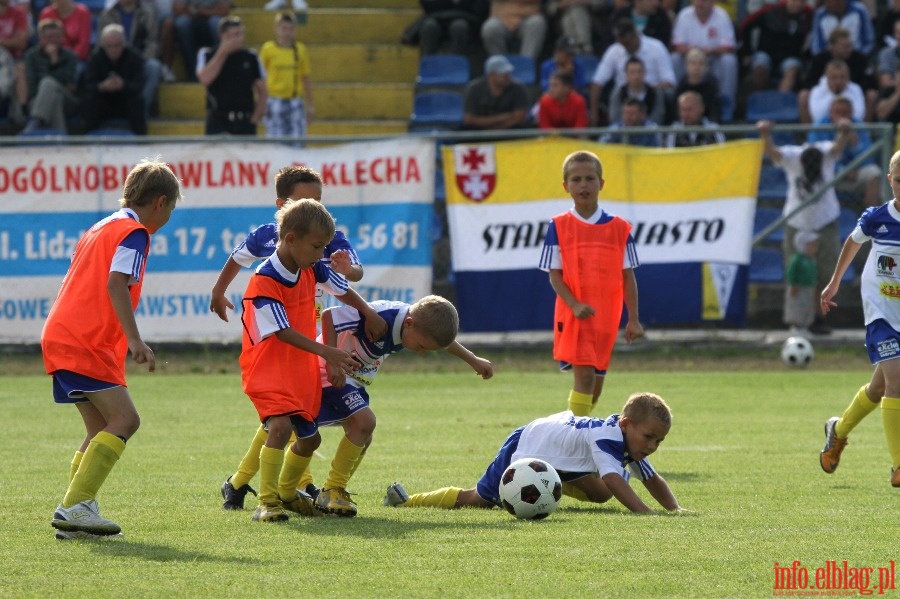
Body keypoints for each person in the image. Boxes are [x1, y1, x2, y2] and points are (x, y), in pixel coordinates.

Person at [215, 165, 389, 511]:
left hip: (312, 346)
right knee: (280, 426)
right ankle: (278, 496)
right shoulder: (267, 262)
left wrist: (367, 311)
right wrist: (218, 291)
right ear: (284, 209)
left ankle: (262, 487)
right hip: (286, 351)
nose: (315, 207)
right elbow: (239, 265)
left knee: (303, 432)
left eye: (318, 200)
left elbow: (349, 279)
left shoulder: (322, 248)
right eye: (305, 201)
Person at [42, 158, 182, 539]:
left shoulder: (102, 226)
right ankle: (75, 506)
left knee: (101, 426)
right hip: (85, 339)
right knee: (127, 420)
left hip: (65, 333)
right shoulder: (134, 232)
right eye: (171, 208)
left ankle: (76, 512)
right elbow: (116, 282)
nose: (168, 216)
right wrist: (135, 340)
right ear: (160, 202)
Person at [302, 296, 494, 517]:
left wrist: (473, 359)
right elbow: (329, 316)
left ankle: (331, 489)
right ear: (409, 324)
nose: (420, 352)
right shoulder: (382, 318)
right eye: (421, 346)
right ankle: (328, 489)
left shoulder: (413, 323)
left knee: (360, 433)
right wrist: (331, 360)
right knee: (362, 422)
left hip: (352, 378)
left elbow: (442, 341)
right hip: (328, 372)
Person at [238, 198, 363, 523]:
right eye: (316, 246)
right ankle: (267, 502)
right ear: (290, 238)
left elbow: (342, 289)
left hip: (300, 369)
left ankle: (288, 493)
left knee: (310, 439)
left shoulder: (312, 265)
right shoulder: (265, 279)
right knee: (279, 428)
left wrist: (370, 313)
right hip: (267, 368)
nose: (320, 253)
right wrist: (329, 353)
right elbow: (281, 332)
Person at [384, 392, 686, 514]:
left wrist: (674, 510)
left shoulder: (628, 440)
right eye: (648, 437)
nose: (651, 446)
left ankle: (551, 483)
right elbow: (616, 479)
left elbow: (652, 478)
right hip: (528, 442)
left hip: (556, 448)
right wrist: (645, 514)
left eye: (659, 441)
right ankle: (407, 500)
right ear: (626, 424)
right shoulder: (608, 438)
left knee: (602, 494)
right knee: (478, 501)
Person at [538, 151, 644, 416]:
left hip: (605, 317)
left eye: (589, 178)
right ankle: (572, 437)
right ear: (566, 186)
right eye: (576, 179)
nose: (583, 185)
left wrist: (634, 318)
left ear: (601, 183)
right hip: (574, 314)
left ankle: (572, 427)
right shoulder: (559, 226)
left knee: (595, 388)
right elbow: (554, 274)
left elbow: (627, 276)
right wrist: (574, 304)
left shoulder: (620, 228)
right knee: (583, 380)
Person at [819, 148, 900, 489]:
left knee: (880, 387)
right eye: (899, 181)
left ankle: (837, 431)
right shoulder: (877, 218)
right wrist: (835, 282)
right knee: (897, 382)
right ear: (889, 180)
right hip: (881, 312)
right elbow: (852, 243)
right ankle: (898, 466)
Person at [757, 118, 852, 336]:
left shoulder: (825, 153)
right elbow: (774, 154)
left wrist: (844, 132)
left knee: (826, 272)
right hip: (796, 222)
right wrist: (765, 135)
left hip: (825, 220)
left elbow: (838, 146)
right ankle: (797, 320)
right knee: (797, 273)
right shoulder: (793, 155)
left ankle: (818, 318)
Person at [589, 18, 675, 127]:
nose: (625, 46)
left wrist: (644, 88)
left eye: (627, 43)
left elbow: (669, 82)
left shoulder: (656, 47)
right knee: (614, 94)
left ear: (635, 35)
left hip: (651, 98)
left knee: (664, 95)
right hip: (623, 99)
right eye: (622, 43)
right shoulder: (614, 51)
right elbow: (597, 82)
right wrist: (594, 112)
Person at [807, 96, 882, 210]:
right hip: (829, 176)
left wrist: (855, 144)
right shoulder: (820, 126)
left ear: (851, 113)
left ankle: (871, 220)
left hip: (855, 174)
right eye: (838, 112)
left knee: (874, 173)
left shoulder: (858, 125)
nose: (842, 116)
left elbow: (868, 158)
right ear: (830, 113)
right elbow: (815, 158)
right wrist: (842, 171)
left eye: (846, 112)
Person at [197, 16, 267, 135]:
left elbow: (263, 90)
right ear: (223, 36)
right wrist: (223, 52)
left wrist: (255, 119)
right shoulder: (207, 54)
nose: (239, 38)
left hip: (245, 120)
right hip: (218, 120)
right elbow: (205, 79)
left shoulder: (251, 57)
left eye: (241, 34)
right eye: (235, 34)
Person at [99, 0, 164, 117]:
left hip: (140, 59)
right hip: (114, 59)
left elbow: (152, 42)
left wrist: (137, 60)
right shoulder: (108, 14)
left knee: (154, 67)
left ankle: (141, 109)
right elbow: (102, 43)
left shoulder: (148, 13)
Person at [81, 24, 147, 135]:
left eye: (117, 46)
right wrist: (102, 86)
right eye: (109, 46)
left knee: (137, 102)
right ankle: (90, 137)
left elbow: (139, 84)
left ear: (123, 44)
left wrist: (123, 85)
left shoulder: (133, 57)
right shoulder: (95, 58)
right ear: (103, 45)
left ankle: (141, 140)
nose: (113, 50)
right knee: (90, 101)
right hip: (103, 102)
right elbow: (87, 85)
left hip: (125, 102)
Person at [670, 0, 738, 106]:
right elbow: (676, 45)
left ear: (713, 3)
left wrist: (711, 50)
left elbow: (729, 47)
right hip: (690, 60)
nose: (700, 4)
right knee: (675, 58)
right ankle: (674, 101)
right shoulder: (684, 15)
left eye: (704, 1)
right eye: (697, 1)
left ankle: (726, 103)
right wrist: (691, 50)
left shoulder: (722, 15)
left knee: (729, 61)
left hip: (713, 59)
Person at [799, 29, 875, 123]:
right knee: (803, 95)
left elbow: (869, 82)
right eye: (845, 47)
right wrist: (831, 86)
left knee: (872, 94)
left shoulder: (859, 58)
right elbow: (809, 82)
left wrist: (846, 86)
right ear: (832, 46)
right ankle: (809, 134)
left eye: (850, 46)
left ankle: (864, 131)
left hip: (852, 91)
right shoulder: (820, 59)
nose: (849, 49)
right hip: (824, 91)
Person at [259, 11, 312, 142]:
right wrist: (261, 103)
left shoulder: (300, 49)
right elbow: (261, 78)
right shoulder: (268, 49)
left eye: (291, 29)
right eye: (284, 28)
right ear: (276, 29)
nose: (287, 33)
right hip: (274, 100)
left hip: (295, 101)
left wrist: (310, 104)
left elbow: (305, 77)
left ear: (295, 30)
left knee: (297, 142)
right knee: (275, 143)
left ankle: (296, 164)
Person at [738, 0, 812, 93]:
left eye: (801, 2)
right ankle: (760, 100)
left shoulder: (808, 15)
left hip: (790, 56)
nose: (797, 4)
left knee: (792, 71)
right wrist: (748, 51)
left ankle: (780, 102)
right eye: (794, 1)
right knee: (759, 68)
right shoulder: (770, 11)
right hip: (766, 52)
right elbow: (746, 25)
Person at [20, 18, 79, 133]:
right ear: (40, 39)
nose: (53, 41)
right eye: (49, 38)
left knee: (48, 83)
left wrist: (55, 62)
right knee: (55, 98)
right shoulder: (31, 56)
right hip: (38, 100)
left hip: (68, 101)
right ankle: (60, 139)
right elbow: (32, 87)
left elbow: (69, 81)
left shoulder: (70, 56)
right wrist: (53, 79)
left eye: (56, 37)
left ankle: (35, 122)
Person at [462, 53, 528, 130]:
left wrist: (491, 126)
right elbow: (469, 120)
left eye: (508, 73)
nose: (508, 77)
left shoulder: (518, 88)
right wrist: (504, 117)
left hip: (508, 132)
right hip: (480, 132)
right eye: (503, 74)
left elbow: (519, 118)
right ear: (491, 76)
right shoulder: (474, 89)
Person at [172, 0, 230, 81]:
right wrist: (199, 13)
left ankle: (218, 70)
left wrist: (200, 11)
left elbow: (224, 10)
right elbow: (178, 9)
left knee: (216, 23)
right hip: (191, 19)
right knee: (182, 24)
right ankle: (193, 71)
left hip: (211, 19)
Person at [607, 56, 666, 126]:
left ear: (644, 73)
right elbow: (615, 117)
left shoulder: (656, 93)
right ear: (626, 75)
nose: (636, 76)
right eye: (632, 72)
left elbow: (658, 116)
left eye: (639, 72)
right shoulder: (618, 94)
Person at [480, 0, 547, 61]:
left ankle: (525, 66)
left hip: (528, 17)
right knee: (490, 27)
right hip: (501, 18)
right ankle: (501, 67)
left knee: (537, 22)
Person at [415, 0, 487, 56]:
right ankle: (427, 67)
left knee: (459, 26)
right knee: (429, 26)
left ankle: (457, 67)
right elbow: (428, 5)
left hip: (466, 18)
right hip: (437, 17)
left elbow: (480, 7)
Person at [673, 48, 722, 123]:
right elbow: (676, 113)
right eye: (693, 63)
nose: (697, 67)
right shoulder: (681, 87)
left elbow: (714, 114)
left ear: (706, 67)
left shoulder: (712, 87)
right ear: (686, 66)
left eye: (701, 63)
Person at [809, 0, 874, 57]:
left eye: (829, 1)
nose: (827, 4)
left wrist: (860, 56)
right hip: (828, 59)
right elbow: (816, 44)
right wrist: (823, 58)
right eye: (825, 1)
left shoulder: (859, 11)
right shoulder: (820, 15)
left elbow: (869, 39)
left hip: (856, 56)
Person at [784, 230, 819, 335]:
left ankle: (804, 326)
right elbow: (791, 273)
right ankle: (795, 326)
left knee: (807, 307)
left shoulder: (812, 260)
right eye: (811, 245)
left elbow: (813, 274)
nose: (814, 248)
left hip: (809, 288)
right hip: (798, 288)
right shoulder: (797, 259)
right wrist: (793, 284)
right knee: (797, 307)